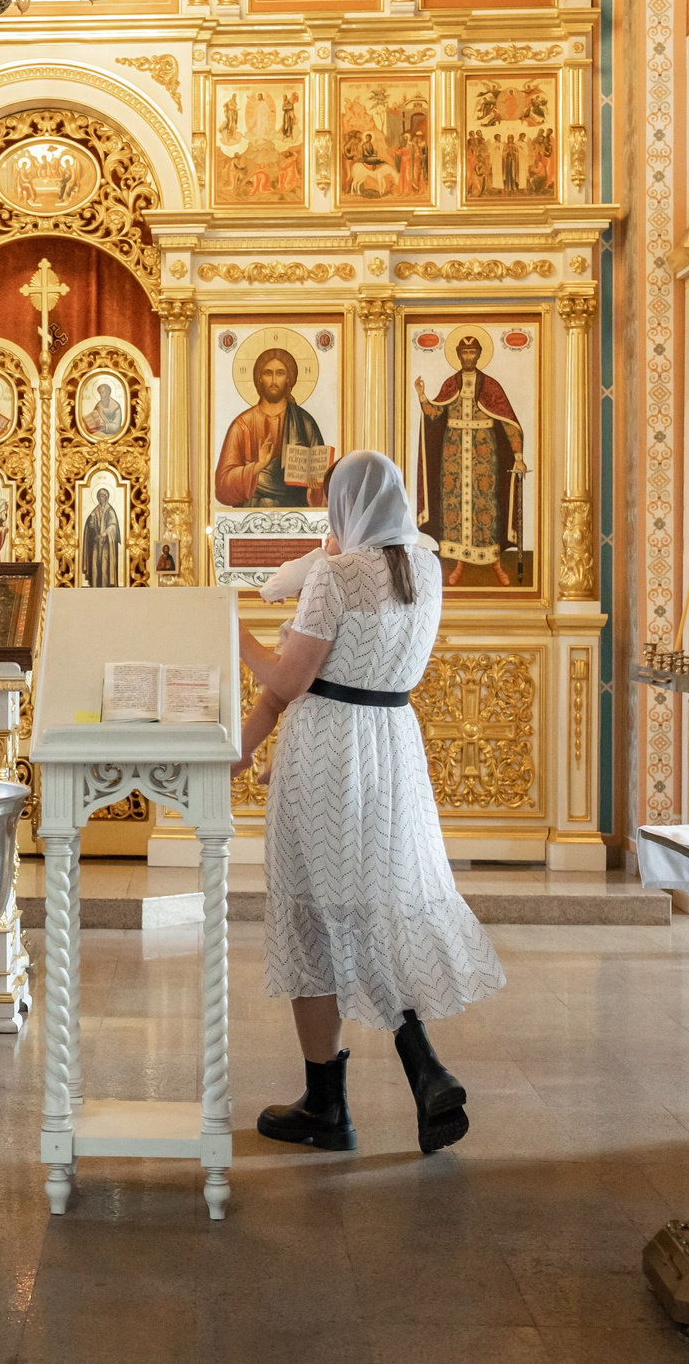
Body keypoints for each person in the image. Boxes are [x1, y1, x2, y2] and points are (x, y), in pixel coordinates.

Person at [239, 452, 503, 1154]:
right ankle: (407, 1071)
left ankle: (348, 1093)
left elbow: (289, 679)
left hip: (327, 749)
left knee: (315, 916)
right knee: (371, 906)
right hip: (391, 745)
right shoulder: (423, 564)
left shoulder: (337, 575)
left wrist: (233, 635)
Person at [414, 332, 527, 584]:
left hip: (483, 453)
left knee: (486, 504)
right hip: (452, 453)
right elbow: (434, 413)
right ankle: (459, 563)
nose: (468, 357)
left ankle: (495, 563)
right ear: (458, 356)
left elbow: (509, 423)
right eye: (464, 353)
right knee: (455, 504)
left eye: (472, 352)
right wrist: (422, 394)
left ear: (478, 355)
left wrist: (518, 456)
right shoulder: (451, 384)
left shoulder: (491, 386)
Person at [217, 346, 329, 508]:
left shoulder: (305, 423)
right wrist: (258, 466)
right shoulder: (242, 425)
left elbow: (322, 479)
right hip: (252, 515)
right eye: (268, 373)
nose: (274, 381)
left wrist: (315, 486)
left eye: (280, 373)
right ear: (259, 378)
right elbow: (223, 485)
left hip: (296, 513)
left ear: (289, 378)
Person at [80, 481, 123, 586]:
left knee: (105, 566)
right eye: (99, 496)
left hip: (106, 544)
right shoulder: (95, 510)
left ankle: (105, 587)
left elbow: (113, 525)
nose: (100, 498)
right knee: (94, 565)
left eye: (102, 496)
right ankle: (94, 586)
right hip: (96, 542)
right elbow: (89, 526)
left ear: (106, 497)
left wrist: (104, 534)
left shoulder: (110, 511)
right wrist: (91, 519)